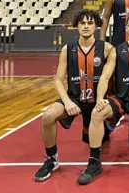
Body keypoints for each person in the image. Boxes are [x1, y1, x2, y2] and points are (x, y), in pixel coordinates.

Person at [75, 14, 129, 185]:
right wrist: (100, 98)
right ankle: (93, 162)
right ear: (126, 28)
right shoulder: (116, 50)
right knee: (97, 113)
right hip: (122, 99)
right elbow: (105, 76)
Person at [33, 10, 114, 182]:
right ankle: (52, 159)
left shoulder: (107, 49)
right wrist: (68, 102)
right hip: (75, 97)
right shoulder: (67, 49)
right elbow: (58, 80)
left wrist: (100, 99)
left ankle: (94, 162)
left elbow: (106, 77)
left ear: (96, 25)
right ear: (76, 25)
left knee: (98, 119)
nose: (86, 26)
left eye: (90, 23)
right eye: (82, 23)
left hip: (97, 99)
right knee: (48, 116)